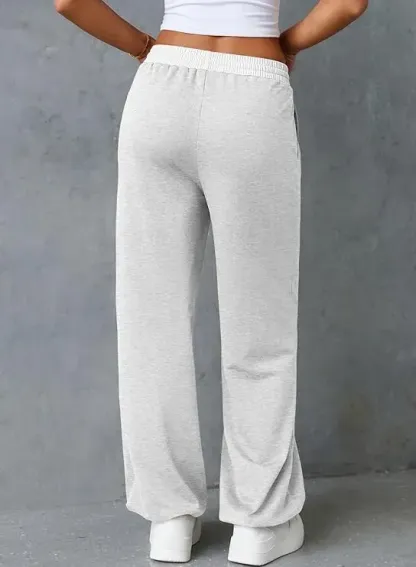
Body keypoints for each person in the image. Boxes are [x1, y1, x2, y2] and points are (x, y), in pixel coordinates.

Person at [55, 0, 368, 564]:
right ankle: (258, 524)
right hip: (252, 92)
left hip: (161, 88)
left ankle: (169, 520)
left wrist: (144, 48)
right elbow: (348, 3)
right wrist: (288, 43)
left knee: (151, 323)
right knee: (261, 329)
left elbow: (68, 1)